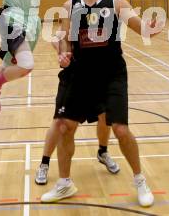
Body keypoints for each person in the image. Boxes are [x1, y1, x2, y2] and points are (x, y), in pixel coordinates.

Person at [41, 0, 159, 207]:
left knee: (121, 129)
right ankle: (64, 183)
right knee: (63, 126)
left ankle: (140, 181)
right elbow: (64, 40)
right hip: (79, 75)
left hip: (111, 74)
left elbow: (141, 29)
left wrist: (151, 28)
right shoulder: (69, 5)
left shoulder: (116, 2)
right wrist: (62, 52)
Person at [35, 32, 119, 185]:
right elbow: (55, 37)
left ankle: (103, 152)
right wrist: (61, 50)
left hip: (96, 78)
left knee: (105, 116)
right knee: (60, 123)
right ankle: (44, 163)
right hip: (72, 78)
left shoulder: (102, 15)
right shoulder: (72, 13)